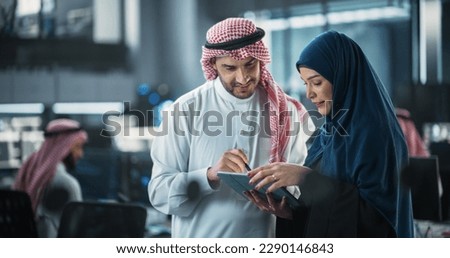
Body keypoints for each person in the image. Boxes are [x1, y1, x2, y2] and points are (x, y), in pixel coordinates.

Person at [147, 17, 312, 237]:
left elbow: (299, 192)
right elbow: (159, 194)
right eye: (230, 68)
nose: (242, 78)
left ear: (261, 59)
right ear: (213, 64)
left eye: (250, 65)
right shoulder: (185, 110)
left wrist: (287, 204)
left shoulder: (286, 111)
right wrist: (210, 176)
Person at [245, 30, 414, 237]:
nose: (309, 94)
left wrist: (307, 178)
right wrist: (290, 213)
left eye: (316, 83)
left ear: (342, 76)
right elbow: (327, 211)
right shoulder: (329, 132)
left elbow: (377, 221)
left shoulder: (374, 134)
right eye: (305, 83)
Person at [13, 118, 88, 237]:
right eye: (77, 147)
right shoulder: (65, 183)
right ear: (64, 146)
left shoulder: (28, 174)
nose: (80, 154)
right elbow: (76, 231)